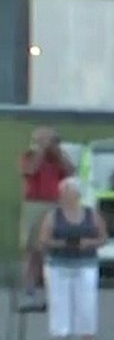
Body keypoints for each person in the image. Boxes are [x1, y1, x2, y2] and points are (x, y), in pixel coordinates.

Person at [37, 177, 106, 340]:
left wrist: (89, 243)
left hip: (86, 264)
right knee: (60, 305)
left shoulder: (91, 214)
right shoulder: (53, 215)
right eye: (63, 193)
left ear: (77, 194)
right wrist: (61, 244)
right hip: (58, 265)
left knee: (87, 305)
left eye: (69, 192)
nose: (65, 196)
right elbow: (43, 239)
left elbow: (103, 238)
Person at [16, 127, 75, 311]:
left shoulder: (56, 160)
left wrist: (56, 151)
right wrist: (41, 149)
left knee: (51, 251)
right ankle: (29, 293)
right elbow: (30, 171)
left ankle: (52, 295)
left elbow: (70, 171)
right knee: (32, 251)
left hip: (54, 204)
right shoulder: (28, 156)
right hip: (34, 204)